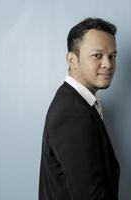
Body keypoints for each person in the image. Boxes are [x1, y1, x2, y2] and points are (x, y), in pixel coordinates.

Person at [39, 17, 120, 200]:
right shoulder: (74, 113)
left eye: (112, 56)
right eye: (97, 55)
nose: (108, 64)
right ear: (72, 60)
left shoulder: (75, 102)